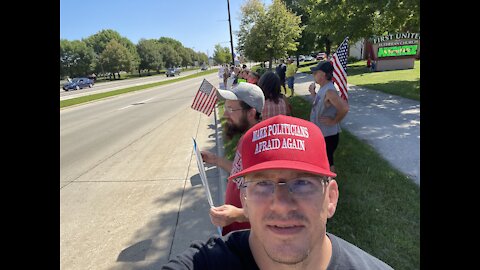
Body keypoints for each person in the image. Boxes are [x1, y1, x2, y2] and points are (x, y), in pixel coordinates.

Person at [162, 115, 394, 270]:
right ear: (244, 198)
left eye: (303, 183)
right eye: (262, 184)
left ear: (331, 198)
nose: (282, 204)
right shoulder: (204, 263)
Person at [200, 82, 265, 236]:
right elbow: (241, 173)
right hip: (237, 231)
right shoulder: (247, 138)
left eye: (230, 109)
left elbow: (268, 205)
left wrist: (238, 214)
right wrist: (215, 160)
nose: (224, 114)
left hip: (250, 237)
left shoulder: (261, 146)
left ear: (251, 113)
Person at [308, 61, 349, 173]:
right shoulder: (323, 88)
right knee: (324, 159)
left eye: (316, 72)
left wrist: (334, 121)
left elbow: (344, 108)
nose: (313, 75)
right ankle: (326, 181)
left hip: (328, 134)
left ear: (324, 75)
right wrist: (313, 94)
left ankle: (331, 183)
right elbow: (321, 105)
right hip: (322, 132)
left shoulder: (330, 91)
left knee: (328, 160)